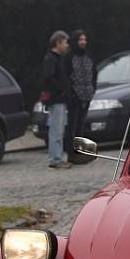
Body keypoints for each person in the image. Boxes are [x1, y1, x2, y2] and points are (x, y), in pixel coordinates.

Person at [64, 29, 97, 164]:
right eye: (80, 40)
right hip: (74, 96)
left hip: (86, 95)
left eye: (84, 39)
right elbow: (66, 76)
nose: (83, 42)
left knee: (81, 127)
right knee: (72, 127)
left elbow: (94, 73)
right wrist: (70, 93)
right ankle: (71, 154)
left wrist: (92, 89)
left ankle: (80, 153)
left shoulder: (89, 56)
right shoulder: (69, 56)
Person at [41, 30, 71, 169]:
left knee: (59, 129)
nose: (66, 45)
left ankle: (58, 157)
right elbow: (48, 77)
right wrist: (61, 88)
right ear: (58, 42)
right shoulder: (51, 58)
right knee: (56, 130)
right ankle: (55, 159)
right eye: (65, 42)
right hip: (56, 99)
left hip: (60, 98)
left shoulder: (58, 58)